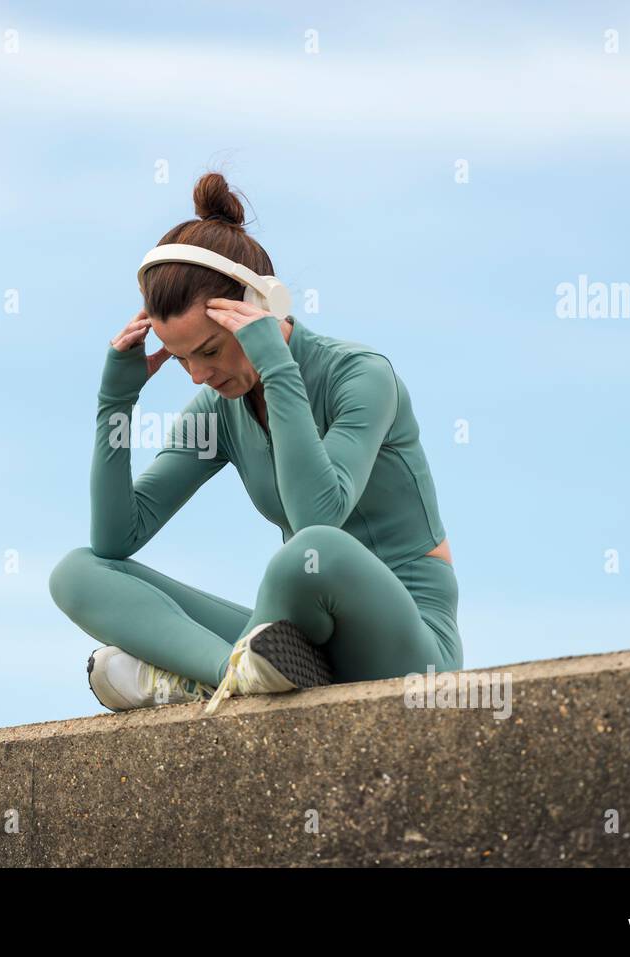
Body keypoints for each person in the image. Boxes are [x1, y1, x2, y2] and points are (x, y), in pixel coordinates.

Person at [48, 172, 461, 716]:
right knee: (77, 572)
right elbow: (116, 538)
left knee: (311, 554)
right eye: (181, 359)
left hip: (408, 646)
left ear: (261, 307)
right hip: (295, 650)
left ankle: (198, 676)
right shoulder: (219, 408)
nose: (198, 375)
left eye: (211, 350)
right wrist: (115, 406)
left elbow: (319, 513)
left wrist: (276, 365)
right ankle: (233, 675)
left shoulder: (362, 376)